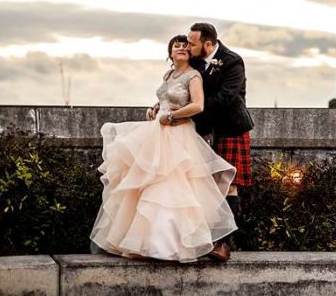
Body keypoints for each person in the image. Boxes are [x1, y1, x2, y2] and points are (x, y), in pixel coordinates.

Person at [90, 35, 237, 263]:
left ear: (190, 53)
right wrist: (156, 109)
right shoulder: (168, 75)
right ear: (169, 53)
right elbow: (167, 98)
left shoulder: (193, 75)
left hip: (179, 134)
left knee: (174, 184)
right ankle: (146, 243)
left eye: (184, 45)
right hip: (158, 132)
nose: (180, 47)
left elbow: (197, 105)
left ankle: (171, 245)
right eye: (175, 46)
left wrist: (171, 115)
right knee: (150, 183)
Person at [187, 22, 254, 259]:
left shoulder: (233, 61)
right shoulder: (193, 61)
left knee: (228, 186)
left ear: (208, 44)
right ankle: (203, 240)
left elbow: (226, 97)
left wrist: (192, 112)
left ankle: (224, 244)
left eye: (192, 43)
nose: (188, 46)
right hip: (203, 129)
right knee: (203, 185)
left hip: (229, 129)